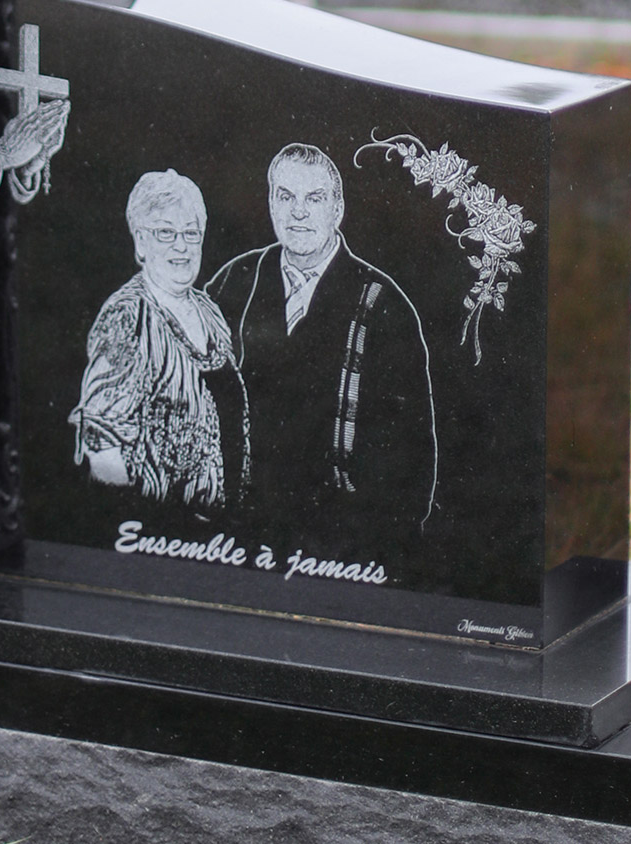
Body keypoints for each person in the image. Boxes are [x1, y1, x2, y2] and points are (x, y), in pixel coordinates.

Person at [205, 143, 436, 548]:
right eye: (286, 197)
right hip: (238, 531)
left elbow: (410, 456)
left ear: (337, 209)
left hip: (341, 541)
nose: (298, 212)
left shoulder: (384, 307)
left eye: (314, 199)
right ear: (271, 204)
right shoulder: (235, 281)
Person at [69, 170, 249, 512]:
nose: (181, 246)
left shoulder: (208, 311)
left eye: (191, 233)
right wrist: (145, 525)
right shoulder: (128, 316)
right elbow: (102, 445)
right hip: (158, 527)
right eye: (165, 232)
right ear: (140, 240)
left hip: (220, 523)